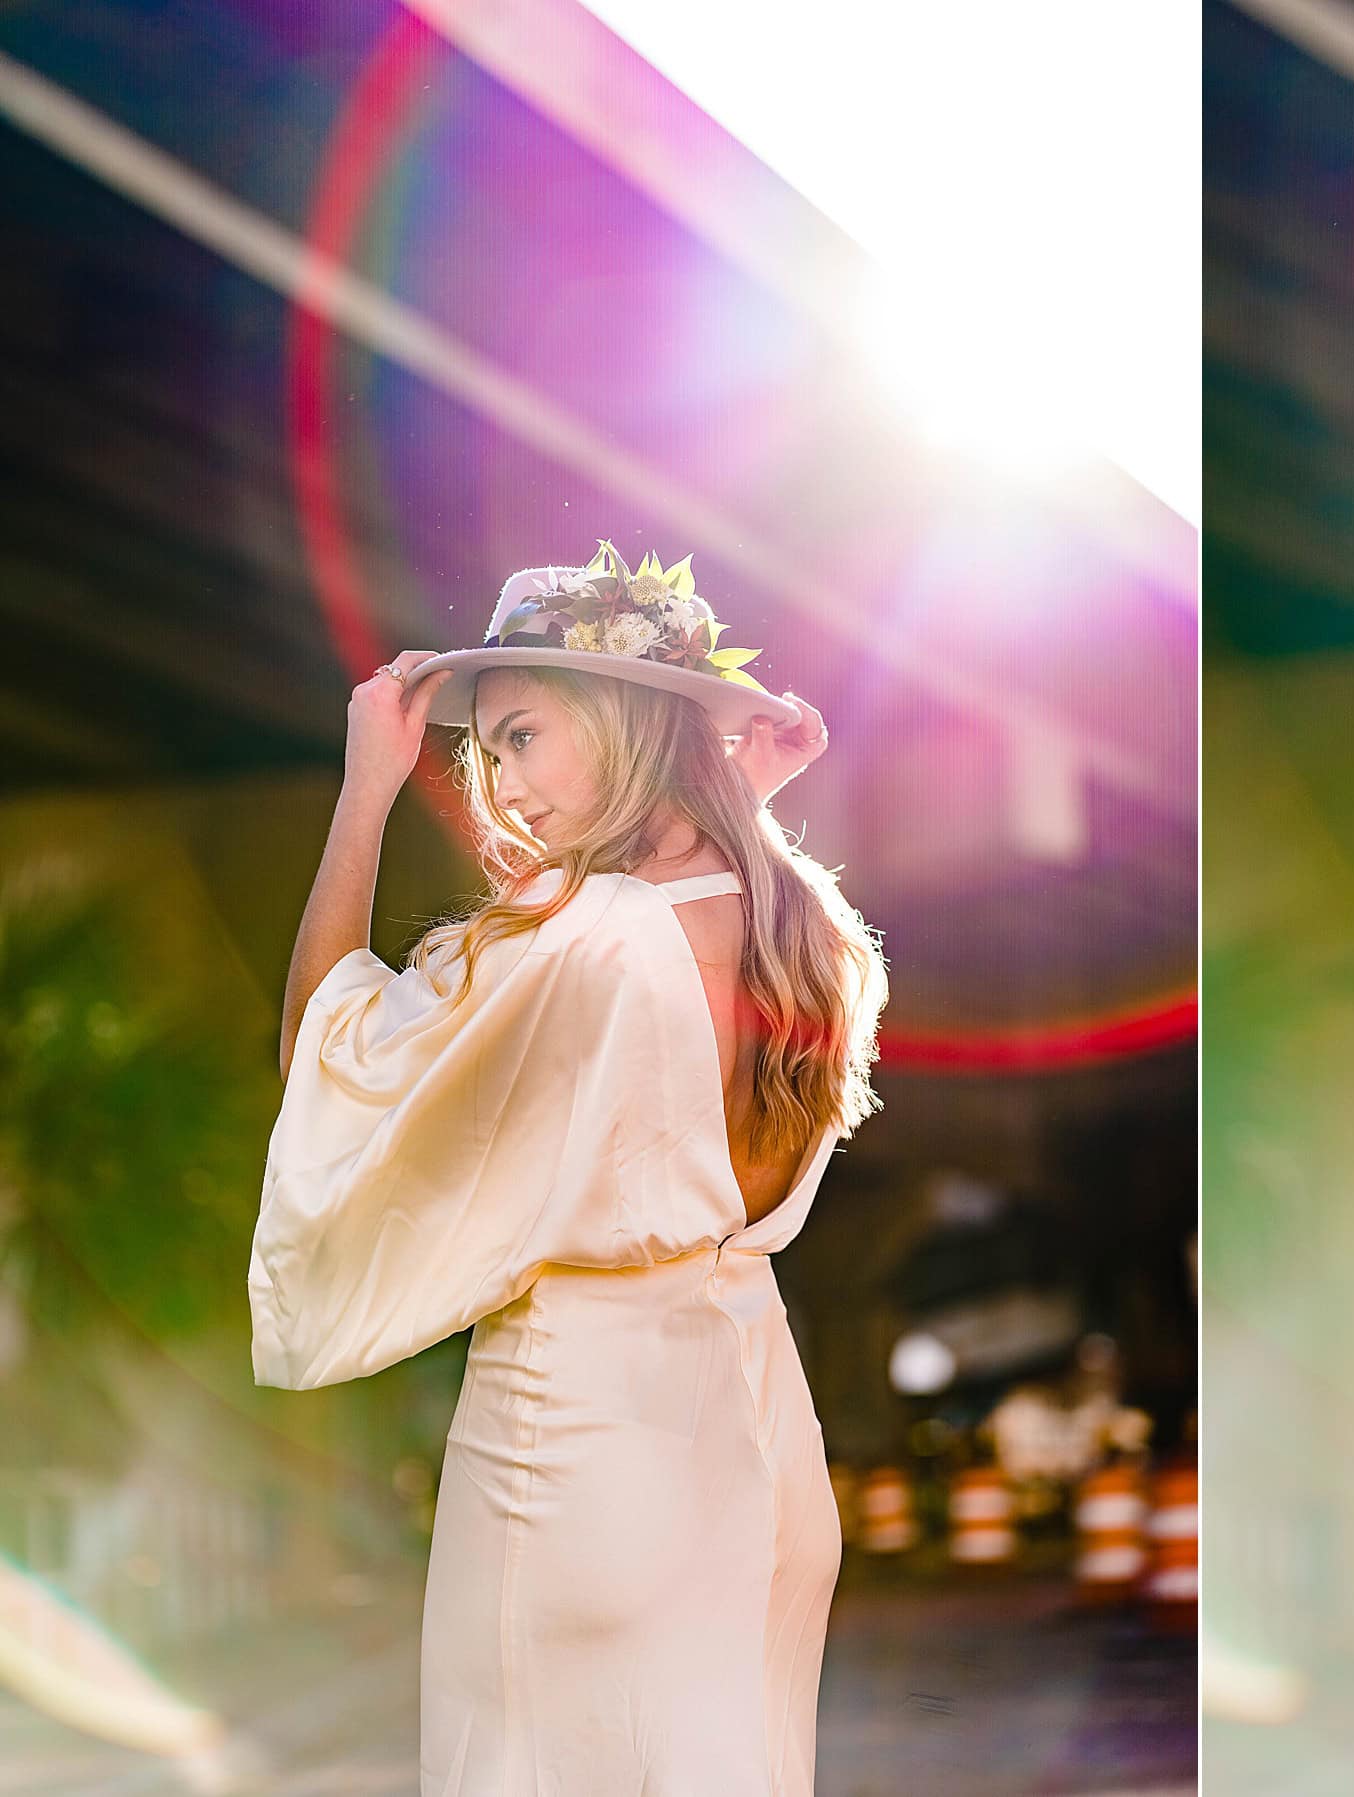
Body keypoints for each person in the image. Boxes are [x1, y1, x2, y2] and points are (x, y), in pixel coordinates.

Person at [252, 542, 889, 1796]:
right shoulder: (809, 926)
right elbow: (673, 955)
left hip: (580, 1454)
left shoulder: (573, 937)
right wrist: (735, 806)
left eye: (524, 736)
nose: (500, 785)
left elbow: (322, 1055)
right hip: (757, 1449)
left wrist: (365, 785)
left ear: (628, 719)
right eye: (480, 754)